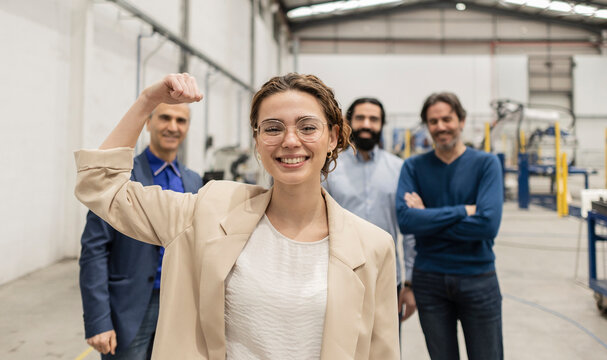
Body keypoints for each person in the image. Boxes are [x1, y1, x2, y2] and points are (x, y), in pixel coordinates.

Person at [74, 73, 400, 359]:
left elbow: (381, 353)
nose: (289, 140)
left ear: (332, 138)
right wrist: (148, 100)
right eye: (272, 128)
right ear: (258, 142)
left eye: (307, 127)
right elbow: (101, 187)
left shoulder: (373, 246)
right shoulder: (209, 210)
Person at [79, 102, 203, 359]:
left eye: (181, 121)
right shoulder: (121, 179)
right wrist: (98, 321)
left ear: (188, 127)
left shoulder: (193, 181)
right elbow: (95, 250)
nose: (172, 127)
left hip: (178, 303)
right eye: (165, 118)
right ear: (148, 123)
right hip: (130, 306)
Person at [396, 92, 504, 360]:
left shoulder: (486, 164)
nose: (441, 126)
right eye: (433, 121)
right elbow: (407, 221)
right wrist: (462, 211)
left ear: (462, 120)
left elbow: (487, 225)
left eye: (447, 119)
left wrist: (427, 219)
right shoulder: (413, 167)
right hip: (429, 281)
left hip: (478, 278)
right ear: (427, 126)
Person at [323, 97, 417, 326]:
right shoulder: (329, 169)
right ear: (348, 122)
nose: (367, 124)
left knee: (386, 350)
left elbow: (410, 230)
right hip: (339, 277)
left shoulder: (399, 169)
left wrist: (410, 283)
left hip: (386, 278)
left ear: (381, 124)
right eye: (360, 118)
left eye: (373, 119)